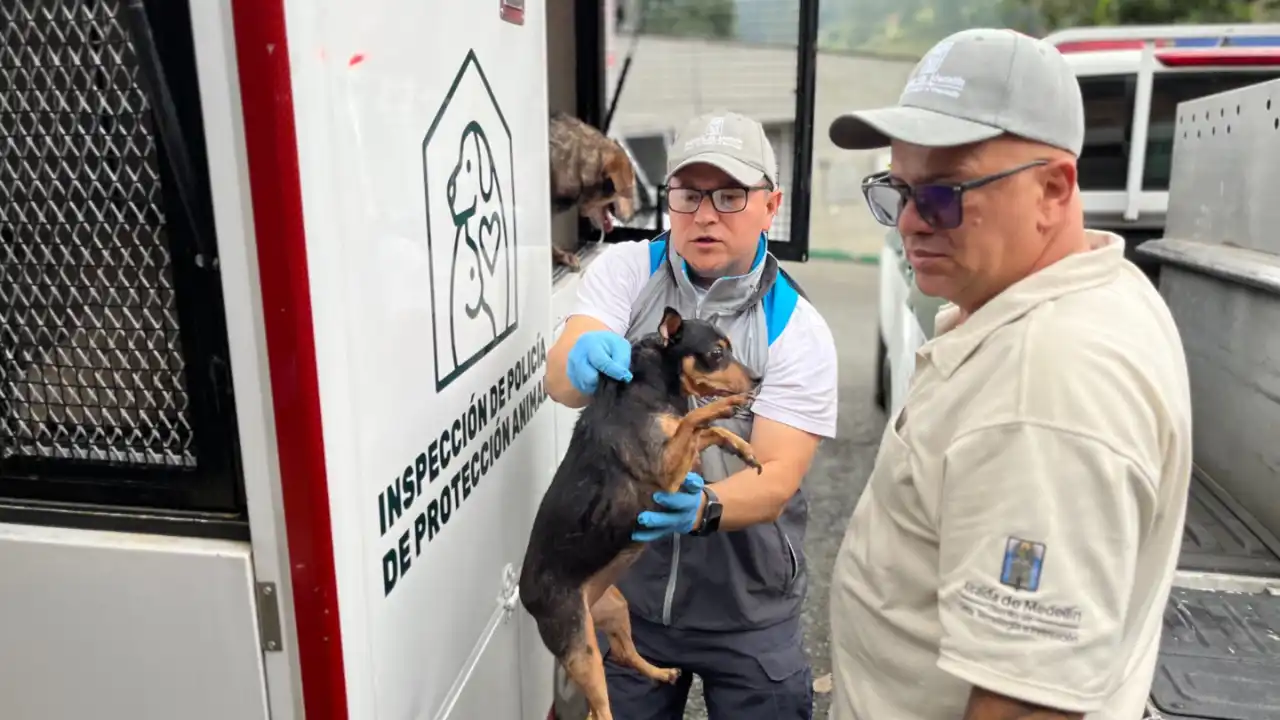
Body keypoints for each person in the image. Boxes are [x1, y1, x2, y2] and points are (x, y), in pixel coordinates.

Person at [824, 28, 1193, 720]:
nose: (908, 222)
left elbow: (1026, 704)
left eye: (941, 195)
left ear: (1053, 190)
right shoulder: (1098, 285)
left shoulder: (1046, 386)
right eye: (896, 189)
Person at [546, 109, 838, 718]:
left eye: (730, 195)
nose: (705, 214)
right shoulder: (629, 271)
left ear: (770, 204)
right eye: (688, 194)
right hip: (631, 598)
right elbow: (561, 376)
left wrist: (704, 508)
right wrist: (578, 361)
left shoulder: (795, 328)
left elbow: (777, 479)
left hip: (748, 609)